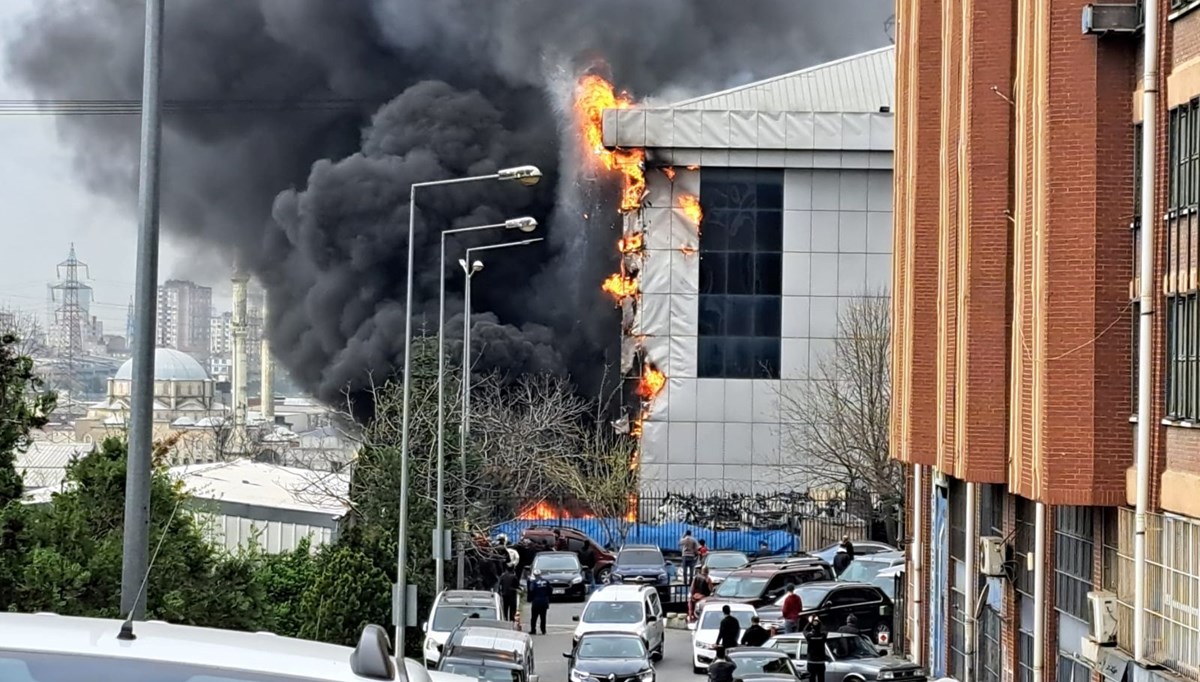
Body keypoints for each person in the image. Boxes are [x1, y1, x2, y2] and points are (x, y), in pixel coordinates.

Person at [803, 616, 829, 682]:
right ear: (819, 627)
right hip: (820, 662)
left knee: (811, 679)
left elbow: (804, 630)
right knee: (821, 679)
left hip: (811, 662)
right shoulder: (822, 636)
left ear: (812, 628)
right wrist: (819, 621)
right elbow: (826, 630)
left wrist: (810, 622)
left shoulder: (809, 636)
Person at [527, 568, 550, 635]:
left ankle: (533, 630)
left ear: (534, 575)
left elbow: (531, 590)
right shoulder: (546, 581)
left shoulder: (533, 583)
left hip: (536, 602)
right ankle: (543, 630)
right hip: (544, 602)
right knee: (543, 617)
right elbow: (550, 590)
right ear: (540, 574)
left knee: (534, 617)